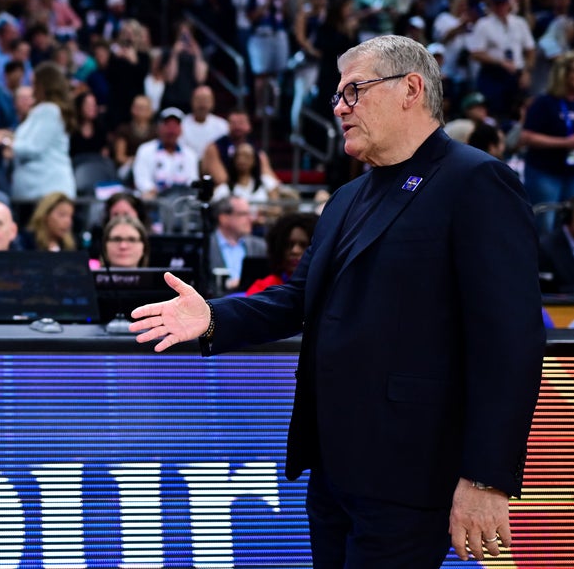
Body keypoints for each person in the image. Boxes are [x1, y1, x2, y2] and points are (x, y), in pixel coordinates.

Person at [130, 35, 543, 566]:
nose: (340, 108)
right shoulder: (348, 195)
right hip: (333, 469)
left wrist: (486, 478)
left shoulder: (477, 180)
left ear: (410, 89)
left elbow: (510, 341)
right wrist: (213, 318)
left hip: (412, 472)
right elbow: (299, 297)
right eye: (337, 97)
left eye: (354, 91)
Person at [520, 50, 574, 231]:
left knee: (567, 225)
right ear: (563, 74)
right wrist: (564, 143)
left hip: (571, 172)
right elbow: (527, 137)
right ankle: (543, 259)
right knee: (546, 224)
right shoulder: (544, 103)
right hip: (545, 172)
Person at [9, 61, 76, 202]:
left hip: (47, 191)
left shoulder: (49, 110)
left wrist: (5, 143)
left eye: (34, 84)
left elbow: (33, 148)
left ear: (44, 85)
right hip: (40, 191)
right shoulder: (44, 110)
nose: (32, 90)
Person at [245, 211, 317, 295]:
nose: (295, 250)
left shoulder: (328, 289)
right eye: (288, 244)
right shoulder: (263, 288)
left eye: (304, 245)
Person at [207, 195, 267, 292]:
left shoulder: (261, 247)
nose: (251, 219)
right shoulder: (205, 247)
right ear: (224, 218)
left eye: (250, 214)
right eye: (243, 214)